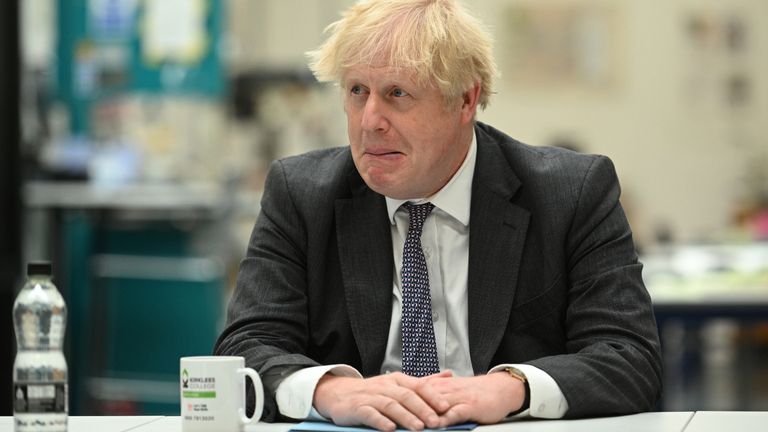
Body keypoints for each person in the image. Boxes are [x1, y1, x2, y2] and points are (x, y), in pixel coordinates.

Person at [214, 0, 662, 430]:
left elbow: (630, 357)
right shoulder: (301, 194)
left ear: (465, 101)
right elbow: (245, 348)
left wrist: (510, 388)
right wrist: (331, 392)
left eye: (397, 94)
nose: (370, 120)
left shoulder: (571, 193)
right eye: (357, 92)